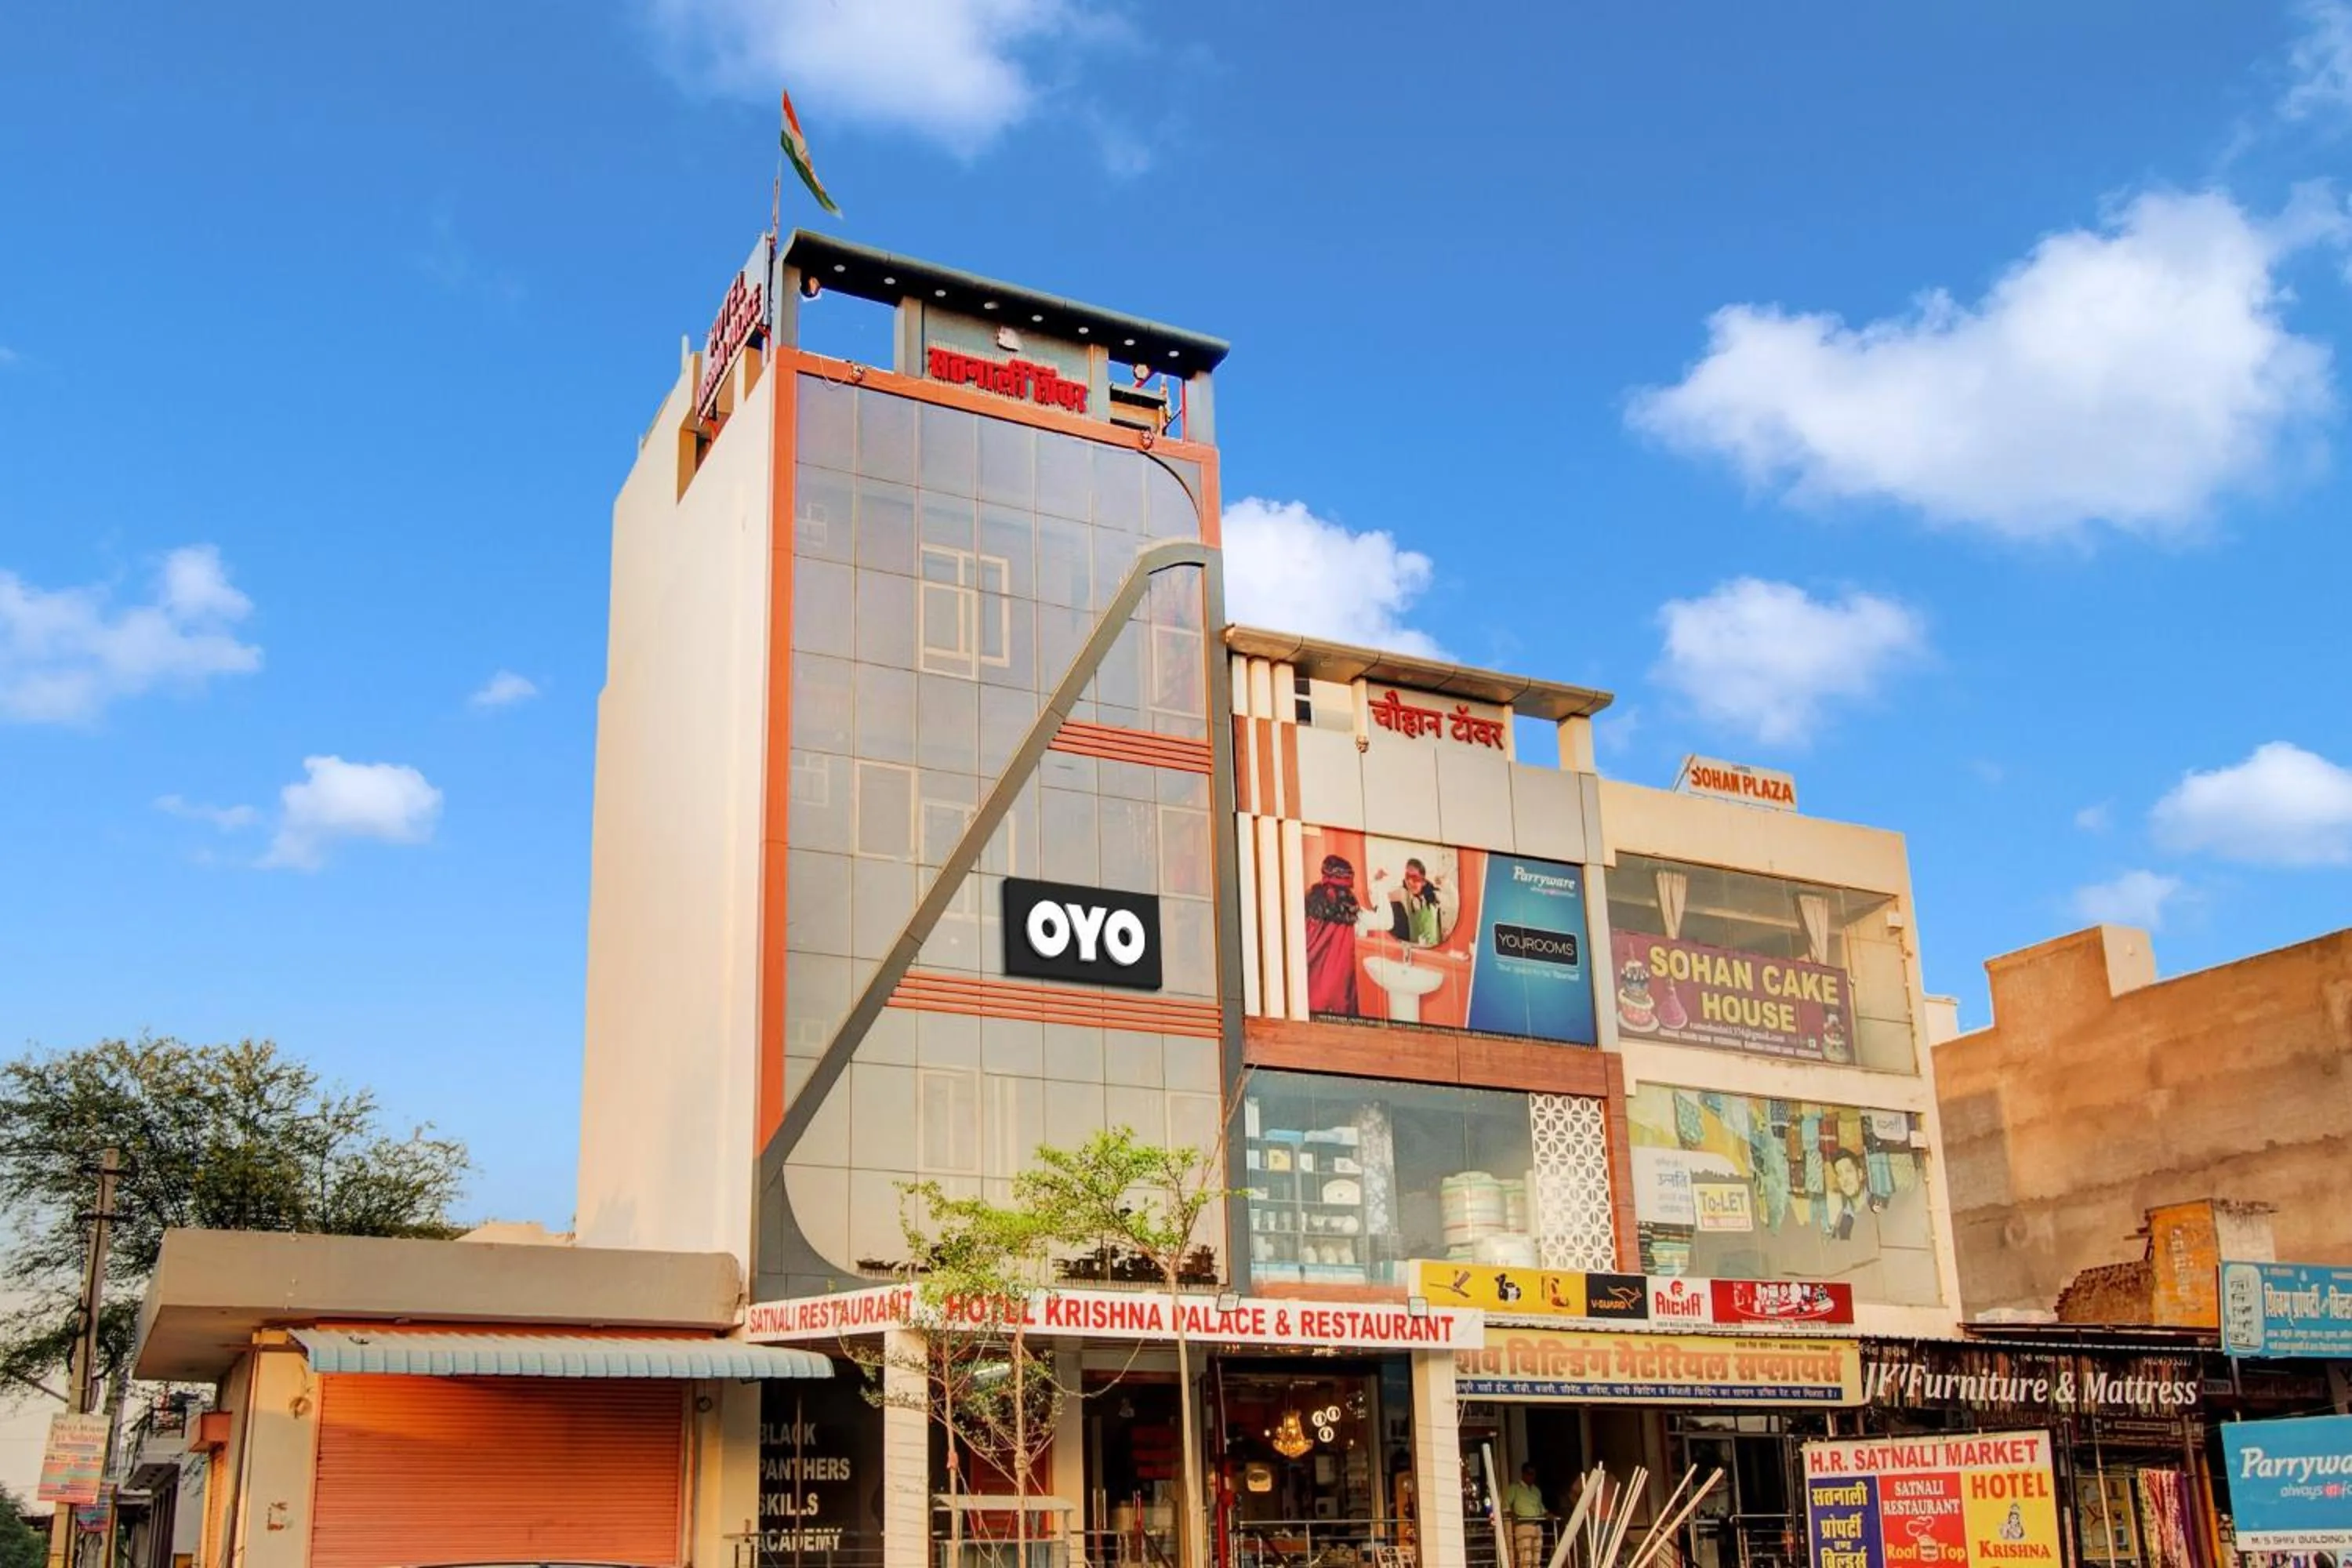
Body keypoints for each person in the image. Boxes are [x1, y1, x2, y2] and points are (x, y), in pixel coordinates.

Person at [1304, 854, 1363, 1015]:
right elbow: (1386, 922)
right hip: (1339, 991)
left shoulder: (1312, 899)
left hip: (1312, 990)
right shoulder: (1351, 906)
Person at [1506, 1465, 1548, 1568]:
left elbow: (1541, 1509)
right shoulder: (1514, 1488)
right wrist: (1513, 1515)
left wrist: (1548, 1514)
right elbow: (1505, 1507)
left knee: (1537, 1560)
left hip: (1537, 1526)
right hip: (1523, 1525)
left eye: (1533, 1474)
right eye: (1529, 1474)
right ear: (1523, 1474)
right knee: (1526, 1559)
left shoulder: (1536, 1491)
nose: (1532, 1477)